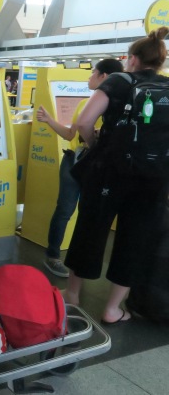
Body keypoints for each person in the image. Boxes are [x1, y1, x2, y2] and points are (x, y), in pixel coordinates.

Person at [64, 27, 169, 324]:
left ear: (132, 59)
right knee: (135, 240)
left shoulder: (117, 81)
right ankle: (112, 309)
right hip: (153, 178)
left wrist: (95, 143)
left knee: (90, 230)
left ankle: (72, 295)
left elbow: (85, 121)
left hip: (110, 172)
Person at [36, 59, 123, 278]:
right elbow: (70, 134)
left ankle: (75, 262)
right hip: (75, 160)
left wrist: (94, 144)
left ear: (104, 77)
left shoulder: (117, 106)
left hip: (93, 164)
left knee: (84, 214)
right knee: (65, 210)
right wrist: (49, 120)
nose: (89, 77)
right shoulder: (87, 103)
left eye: (93, 73)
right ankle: (54, 256)